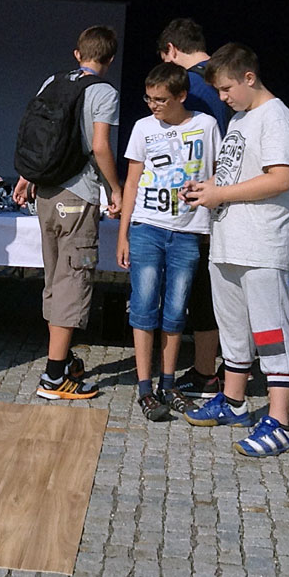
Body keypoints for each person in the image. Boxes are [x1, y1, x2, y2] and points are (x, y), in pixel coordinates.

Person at [180, 42, 289, 457]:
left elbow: (280, 178)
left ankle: (281, 422)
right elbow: (231, 174)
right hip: (228, 241)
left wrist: (221, 193)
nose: (222, 97)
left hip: (262, 244)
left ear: (249, 78)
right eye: (218, 90)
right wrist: (205, 189)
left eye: (227, 88)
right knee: (232, 328)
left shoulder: (277, 118)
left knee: (270, 332)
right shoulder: (239, 119)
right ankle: (233, 402)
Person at [13, 26, 122, 400]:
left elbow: (39, 137)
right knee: (72, 282)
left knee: (55, 279)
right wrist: (116, 189)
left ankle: (62, 357)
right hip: (78, 196)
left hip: (46, 193)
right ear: (110, 59)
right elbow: (100, 147)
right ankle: (54, 377)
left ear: (78, 54)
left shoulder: (52, 81)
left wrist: (28, 175)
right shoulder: (103, 92)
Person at [115, 62, 219, 421]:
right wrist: (123, 233)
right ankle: (145, 388)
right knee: (143, 306)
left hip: (188, 230)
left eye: (161, 99)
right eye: (149, 98)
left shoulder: (206, 125)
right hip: (147, 227)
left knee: (176, 310)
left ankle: (169, 383)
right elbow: (131, 182)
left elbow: (218, 172)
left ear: (182, 96)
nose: (153, 105)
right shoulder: (143, 128)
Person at [157, 18, 228, 401]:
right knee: (221, 290)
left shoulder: (193, 88)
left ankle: (204, 373)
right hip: (231, 197)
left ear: (171, 49)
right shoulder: (227, 79)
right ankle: (225, 368)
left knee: (202, 290)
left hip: (200, 203)